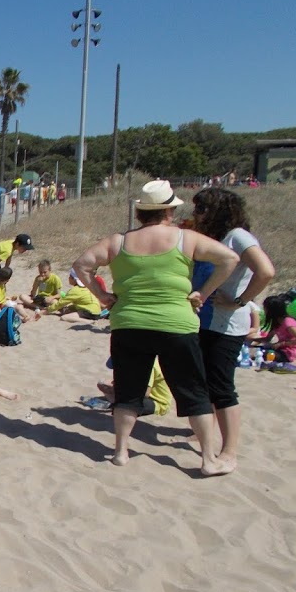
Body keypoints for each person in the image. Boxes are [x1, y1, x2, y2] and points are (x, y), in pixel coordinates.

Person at [72, 179, 239, 474]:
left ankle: (121, 452)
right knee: (194, 393)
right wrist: (203, 292)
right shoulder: (186, 238)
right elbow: (229, 258)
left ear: (140, 212)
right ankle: (208, 459)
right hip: (176, 324)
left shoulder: (118, 241)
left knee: (128, 392)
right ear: (169, 211)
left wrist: (102, 296)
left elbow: (82, 264)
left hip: (129, 323)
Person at [189, 187, 275, 469]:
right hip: (205, 321)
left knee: (222, 387)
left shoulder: (238, 236)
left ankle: (229, 452)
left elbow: (266, 271)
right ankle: (206, 433)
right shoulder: (214, 237)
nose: (196, 214)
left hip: (226, 324)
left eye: (201, 209)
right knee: (205, 381)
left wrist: (240, 301)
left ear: (218, 211)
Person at [252, 296, 296, 363]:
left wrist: (281, 344)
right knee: (256, 350)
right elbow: (267, 339)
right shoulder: (276, 322)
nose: (264, 310)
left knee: (263, 354)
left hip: (288, 353)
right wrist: (250, 339)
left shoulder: (287, 322)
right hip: (279, 349)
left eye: (265, 308)